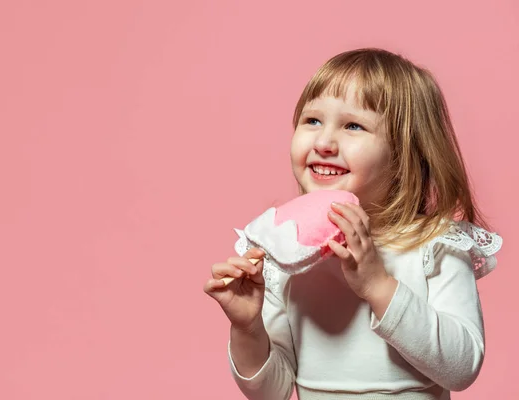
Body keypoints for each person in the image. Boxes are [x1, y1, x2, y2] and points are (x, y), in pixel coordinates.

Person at [203, 48, 503, 399]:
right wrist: (248, 328)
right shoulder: (285, 252)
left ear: (405, 152)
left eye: (353, 126)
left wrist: (378, 285)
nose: (324, 142)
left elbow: (462, 368)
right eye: (312, 120)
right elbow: (273, 392)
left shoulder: (435, 245)